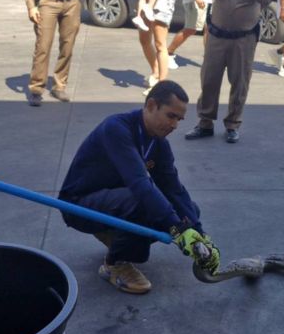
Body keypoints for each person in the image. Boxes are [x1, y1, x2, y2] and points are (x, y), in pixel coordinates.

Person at [59, 80, 220, 294]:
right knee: (145, 203)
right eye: (171, 116)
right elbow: (140, 184)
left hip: (114, 200)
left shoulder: (159, 143)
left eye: (179, 120)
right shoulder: (116, 129)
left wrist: (198, 233)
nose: (174, 125)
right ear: (151, 105)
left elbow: (174, 189)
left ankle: (117, 237)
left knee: (189, 210)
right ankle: (114, 264)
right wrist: (177, 228)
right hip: (79, 205)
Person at [186, 0, 273, 144]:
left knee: (240, 82)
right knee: (209, 80)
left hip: (244, 37)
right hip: (217, 34)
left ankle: (233, 124)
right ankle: (205, 122)